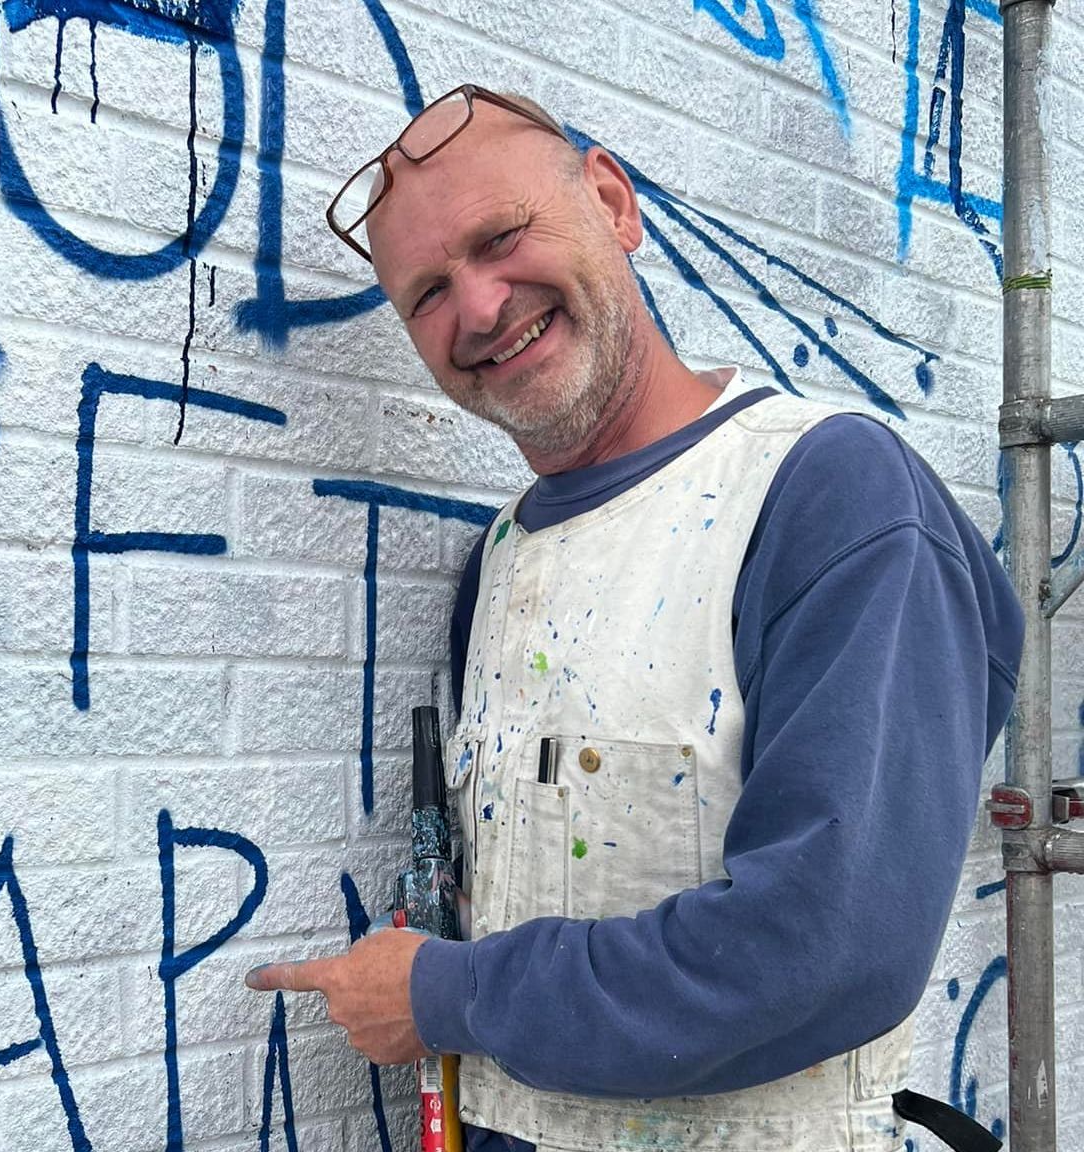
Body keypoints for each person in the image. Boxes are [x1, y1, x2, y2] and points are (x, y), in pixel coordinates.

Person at [246, 84, 1022, 1152]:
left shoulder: (826, 494)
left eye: (502, 236)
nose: (477, 309)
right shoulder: (503, 560)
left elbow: (826, 946)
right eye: (427, 292)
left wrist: (443, 995)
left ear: (612, 202)